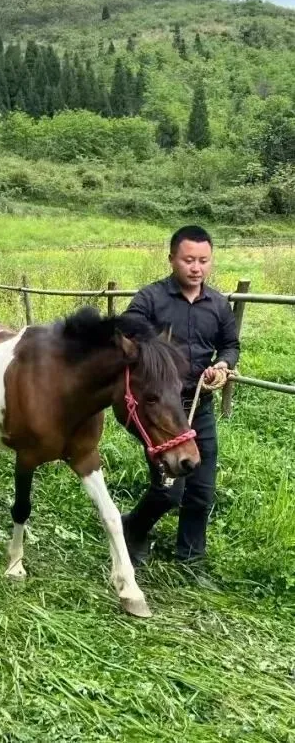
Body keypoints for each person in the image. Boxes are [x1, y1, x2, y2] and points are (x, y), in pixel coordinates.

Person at [121, 225, 240, 565]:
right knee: (168, 491)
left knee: (201, 490)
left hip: (200, 405)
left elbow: (230, 345)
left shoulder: (218, 304)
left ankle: (191, 559)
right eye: (189, 260)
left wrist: (222, 364)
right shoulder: (149, 299)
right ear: (172, 258)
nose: (196, 268)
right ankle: (132, 529)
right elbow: (126, 332)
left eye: (203, 260)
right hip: (162, 410)